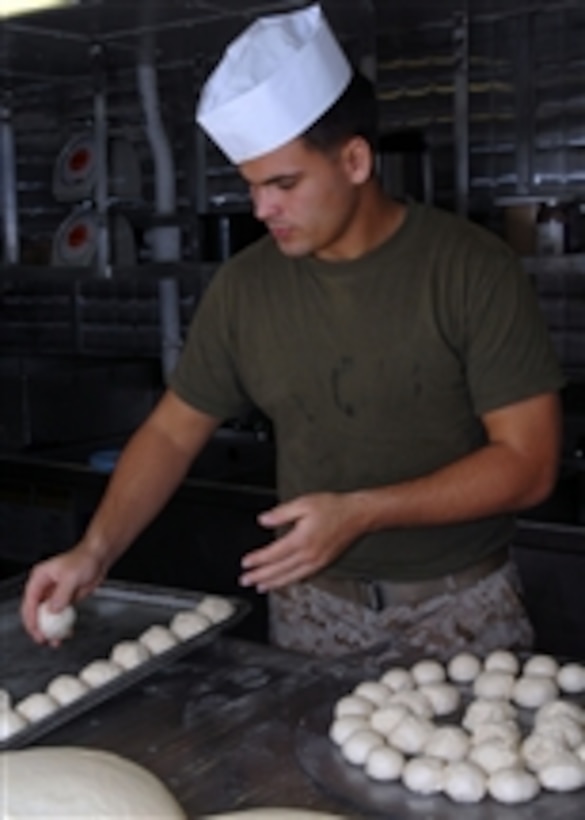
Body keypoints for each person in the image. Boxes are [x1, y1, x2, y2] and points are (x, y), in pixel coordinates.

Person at [21, 4, 564, 662]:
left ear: (355, 160)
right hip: (310, 609)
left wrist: (360, 511)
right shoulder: (247, 287)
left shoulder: (469, 269)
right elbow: (171, 430)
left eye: (283, 184)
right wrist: (93, 550)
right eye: (251, 186)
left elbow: (528, 464)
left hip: (460, 608)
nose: (261, 210)